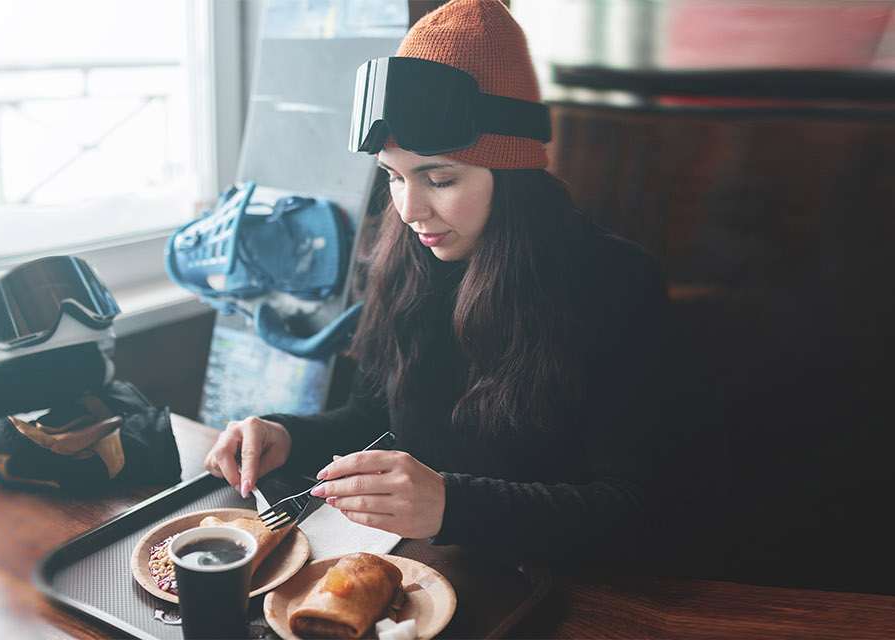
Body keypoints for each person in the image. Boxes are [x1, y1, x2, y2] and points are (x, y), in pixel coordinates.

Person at [203, 0, 720, 566]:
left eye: (440, 178)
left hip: (563, 589)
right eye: (393, 178)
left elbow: (652, 513)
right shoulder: (403, 257)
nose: (409, 209)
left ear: (514, 171)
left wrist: (454, 507)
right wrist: (287, 436)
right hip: (426, 572)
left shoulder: (616, 285)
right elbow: (379, 418)